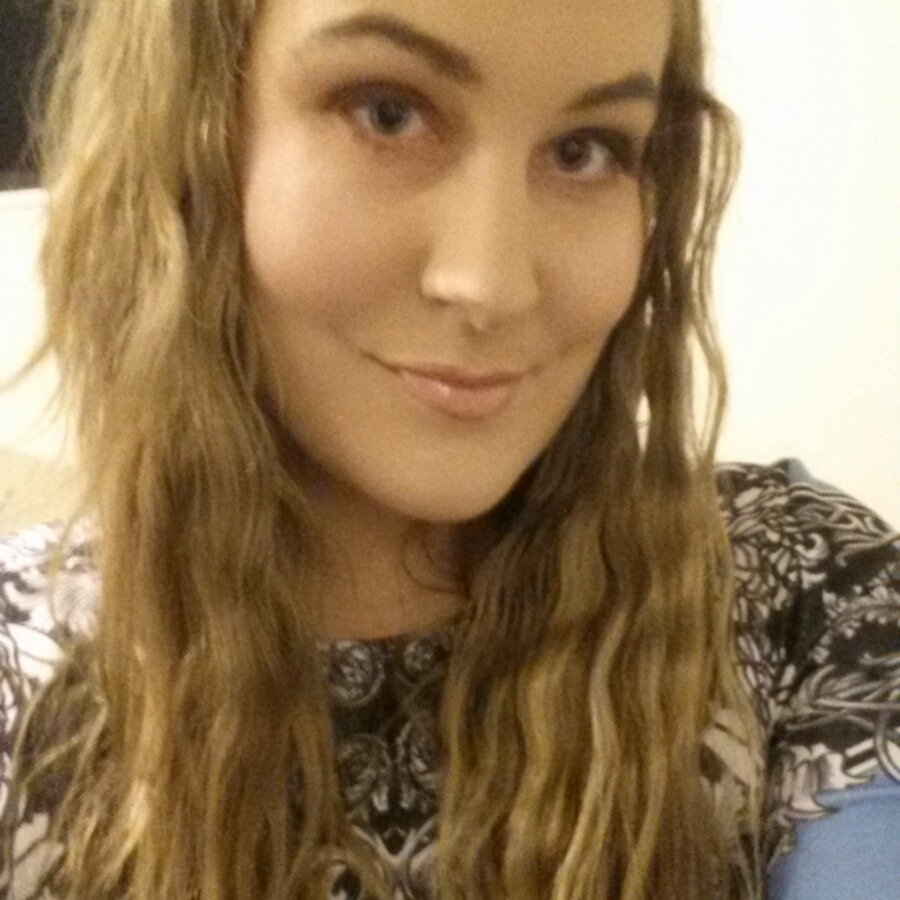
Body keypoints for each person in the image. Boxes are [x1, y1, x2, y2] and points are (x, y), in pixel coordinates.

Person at [0, 0, 897, 897]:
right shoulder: (21, 688)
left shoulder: (804, 592)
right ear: (189, 140)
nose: (492, 286)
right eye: (388, 113)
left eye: (584, 150)